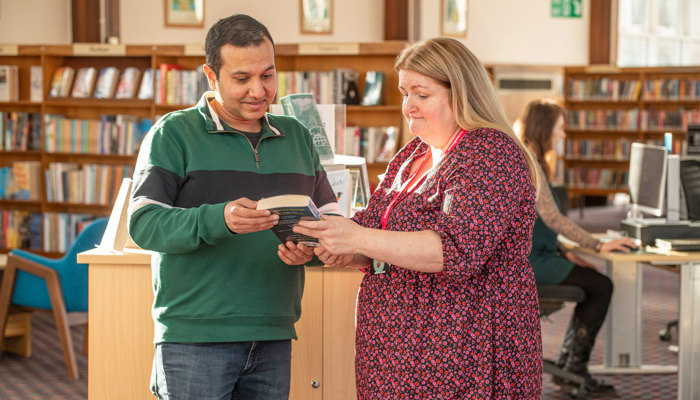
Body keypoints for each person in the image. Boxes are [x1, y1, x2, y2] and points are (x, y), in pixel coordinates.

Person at [281, 37, 543, 399]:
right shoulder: (413, 154)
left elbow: (455, 250)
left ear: (461, 92)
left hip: (463, 350)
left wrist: (358, 239)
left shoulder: (489, 152)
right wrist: (337, 247)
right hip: (397, 353)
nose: (408, 107)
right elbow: (373, 230)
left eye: (421, 94)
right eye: (405, 93)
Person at [128, 14, 339, 400]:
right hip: (195, 337)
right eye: (242, 79)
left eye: (268, 75)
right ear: (211, 76)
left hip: (275, 332)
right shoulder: (173, 133)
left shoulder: (297, 136)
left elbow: (332, 221)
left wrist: (309, 253)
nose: (259, 91)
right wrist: (218, 219)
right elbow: (144, 224)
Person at [520, 99, 637, 397]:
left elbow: (538, 224)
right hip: (532, 262)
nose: (563, 135)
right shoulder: (530, 164)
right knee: (601, 286)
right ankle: (574, 367)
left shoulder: (529, 160)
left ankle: (571, 364)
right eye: (560, 128)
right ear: (545, 129)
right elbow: (553, 218)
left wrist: (565, 250)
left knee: (594, 281)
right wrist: (597, 243)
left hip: (542, 254)